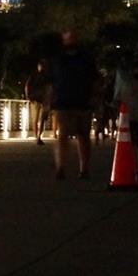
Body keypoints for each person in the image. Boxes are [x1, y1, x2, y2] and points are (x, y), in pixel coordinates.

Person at [49, 29, 97, 180]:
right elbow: (51, 82)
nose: (71, 41)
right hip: (63, 102)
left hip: (83, 101)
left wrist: (95, 98)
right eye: (68, 38)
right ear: (63, 40)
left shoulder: (86, 59)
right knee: (63, 136)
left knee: (83, 136)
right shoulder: (58, 59)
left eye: (73, 38)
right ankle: (60, 167)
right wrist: (49, 100)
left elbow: (94, 80)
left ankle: (84, 168)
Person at [111, 52, 138, 178]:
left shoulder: (128, 83)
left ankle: (137, 167)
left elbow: (119, 98)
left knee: (135, 144)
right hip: (136, 116)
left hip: (132, 117)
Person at [24, 60, 52, 145]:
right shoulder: (46, 76)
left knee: (37, 119)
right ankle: (38, 137)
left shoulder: (36, 76)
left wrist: (28, 96)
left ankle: (37, 137)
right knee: (40, 119)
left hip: (38, 100)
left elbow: (27, 86)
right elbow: (50, 88)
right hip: (40, 100)